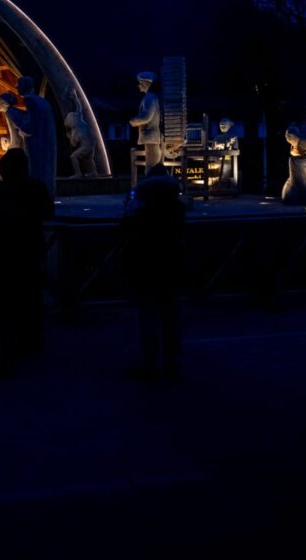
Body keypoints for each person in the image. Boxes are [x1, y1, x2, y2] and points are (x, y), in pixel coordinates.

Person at [0, 148, 54, 377]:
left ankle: (0, 356)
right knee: (28, 300)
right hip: (28, 254)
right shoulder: (36, 189)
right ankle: (26, 344)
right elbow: (47, 213)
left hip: (1, 260)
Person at [121, 163, 186, 381]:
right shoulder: (176, 208)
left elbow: (127, 227)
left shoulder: (141, 209)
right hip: (171, 265)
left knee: (148, 315)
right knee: (171, 315)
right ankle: (172, 360)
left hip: (147, 266)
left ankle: (151, 362)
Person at [2, 76, 56, 197]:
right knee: (45, 170)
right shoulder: (41, 101)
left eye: (19, 84)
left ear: (26, 86)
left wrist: (11, 112)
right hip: (44, 142)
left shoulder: (30, 100)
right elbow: (32, 118)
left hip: (37, 144)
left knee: (36, 170)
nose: (16, 87)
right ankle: (46, 195)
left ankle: (38, 198)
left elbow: (30, 127)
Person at [130, 71, 163, 173]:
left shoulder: (149, 98)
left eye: (140, 83)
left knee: (150, 166)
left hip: (151, 137)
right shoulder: (151, 97)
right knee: (152, 165)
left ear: (146, 84)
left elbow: (147, 117)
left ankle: (150, 186)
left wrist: (134, 121)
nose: (138, 86)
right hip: (152, 137)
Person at [64, 89, 97, 179]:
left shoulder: (75, 129)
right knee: (89, 158)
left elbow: (73, 143)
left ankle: (78, 174)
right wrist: (75, 97)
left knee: (73, 157)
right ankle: (93, 172)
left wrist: (69, 136)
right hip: (92, 142)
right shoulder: (79, 119)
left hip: (87, 144)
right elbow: (79, 107)